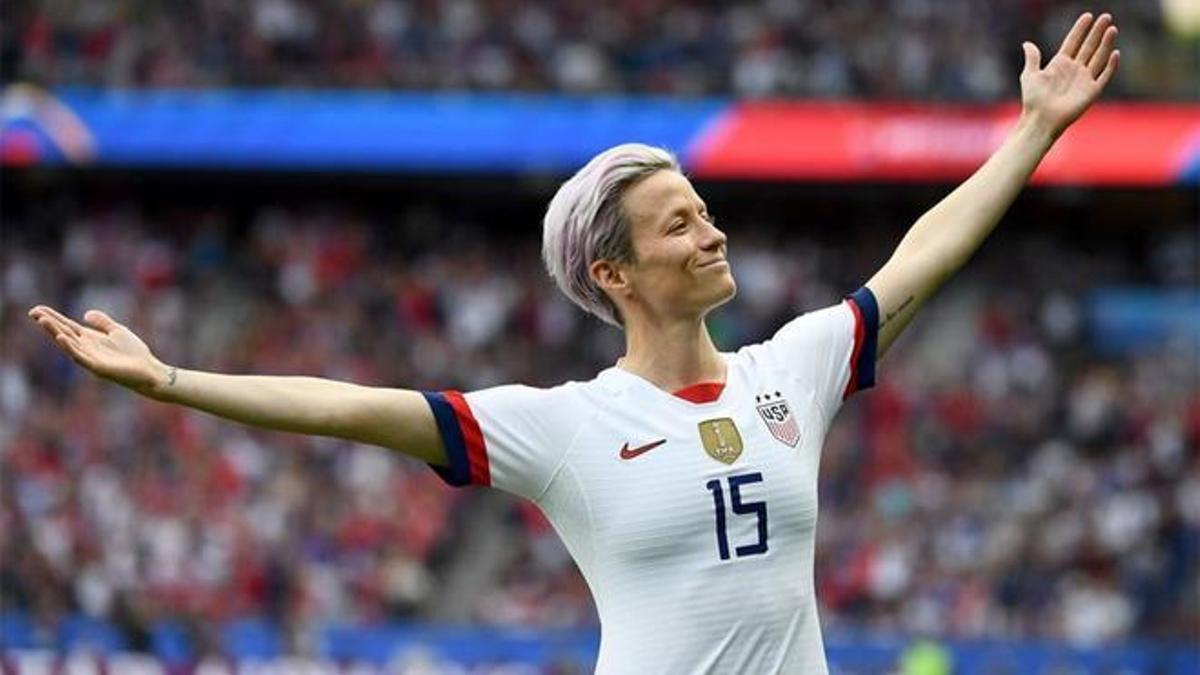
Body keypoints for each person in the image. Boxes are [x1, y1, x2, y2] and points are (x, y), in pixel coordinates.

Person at [29, 13, 1119, 674]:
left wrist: (1031, 134)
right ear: (614, 272)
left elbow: (921, 259)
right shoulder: (563, 427)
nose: (712, 230)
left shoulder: (792, 371)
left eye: (706, 209)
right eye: (680, 223)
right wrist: (169, 380)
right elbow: (350, 405)